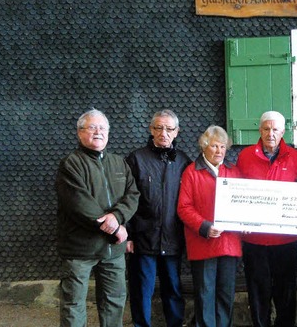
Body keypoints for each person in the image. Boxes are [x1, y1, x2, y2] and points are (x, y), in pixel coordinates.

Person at [55, 109, 139, 327]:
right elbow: (79, 204)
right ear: (79, 132)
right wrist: (115, 228)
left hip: (113, 251)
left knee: (114, 301)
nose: (98, 132)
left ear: (109, 133)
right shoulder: (70, 164)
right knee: (74, 304)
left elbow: (133, 194)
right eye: (92, 127)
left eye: (103, 128)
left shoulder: (119, 163)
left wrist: (118, 216)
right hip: (79, 250)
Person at [236, 111, 297, 327]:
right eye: (266, 129)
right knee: (258, 292)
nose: (270, 133)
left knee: (285, 292)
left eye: (275, 129)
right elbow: (237, 195)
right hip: (254, 241)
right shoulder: (245, 156)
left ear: (283, 131)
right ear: (259, 130)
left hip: (284, 241)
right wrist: (241, 221)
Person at [125, 110, 192, 327]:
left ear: (177, 132)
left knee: (173, 287)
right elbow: (125, 198)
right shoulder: (136, 159)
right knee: (142, 290)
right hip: (143, 238)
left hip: (173, 238)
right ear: (151, 129)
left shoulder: (183, 161)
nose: (164, 133)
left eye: (169, 129)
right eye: (159, 128)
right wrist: (128, 234)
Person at [177, 126, 242, 327]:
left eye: (223, 146)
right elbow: (183, 207)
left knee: (225, 294)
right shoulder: (191, 172)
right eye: (214, 146)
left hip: (229, 244)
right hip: (203, 243)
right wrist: (204, 227)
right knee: (205, 295)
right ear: (205, 146)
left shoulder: (233, 171)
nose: (219, 151)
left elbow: (242, 203)